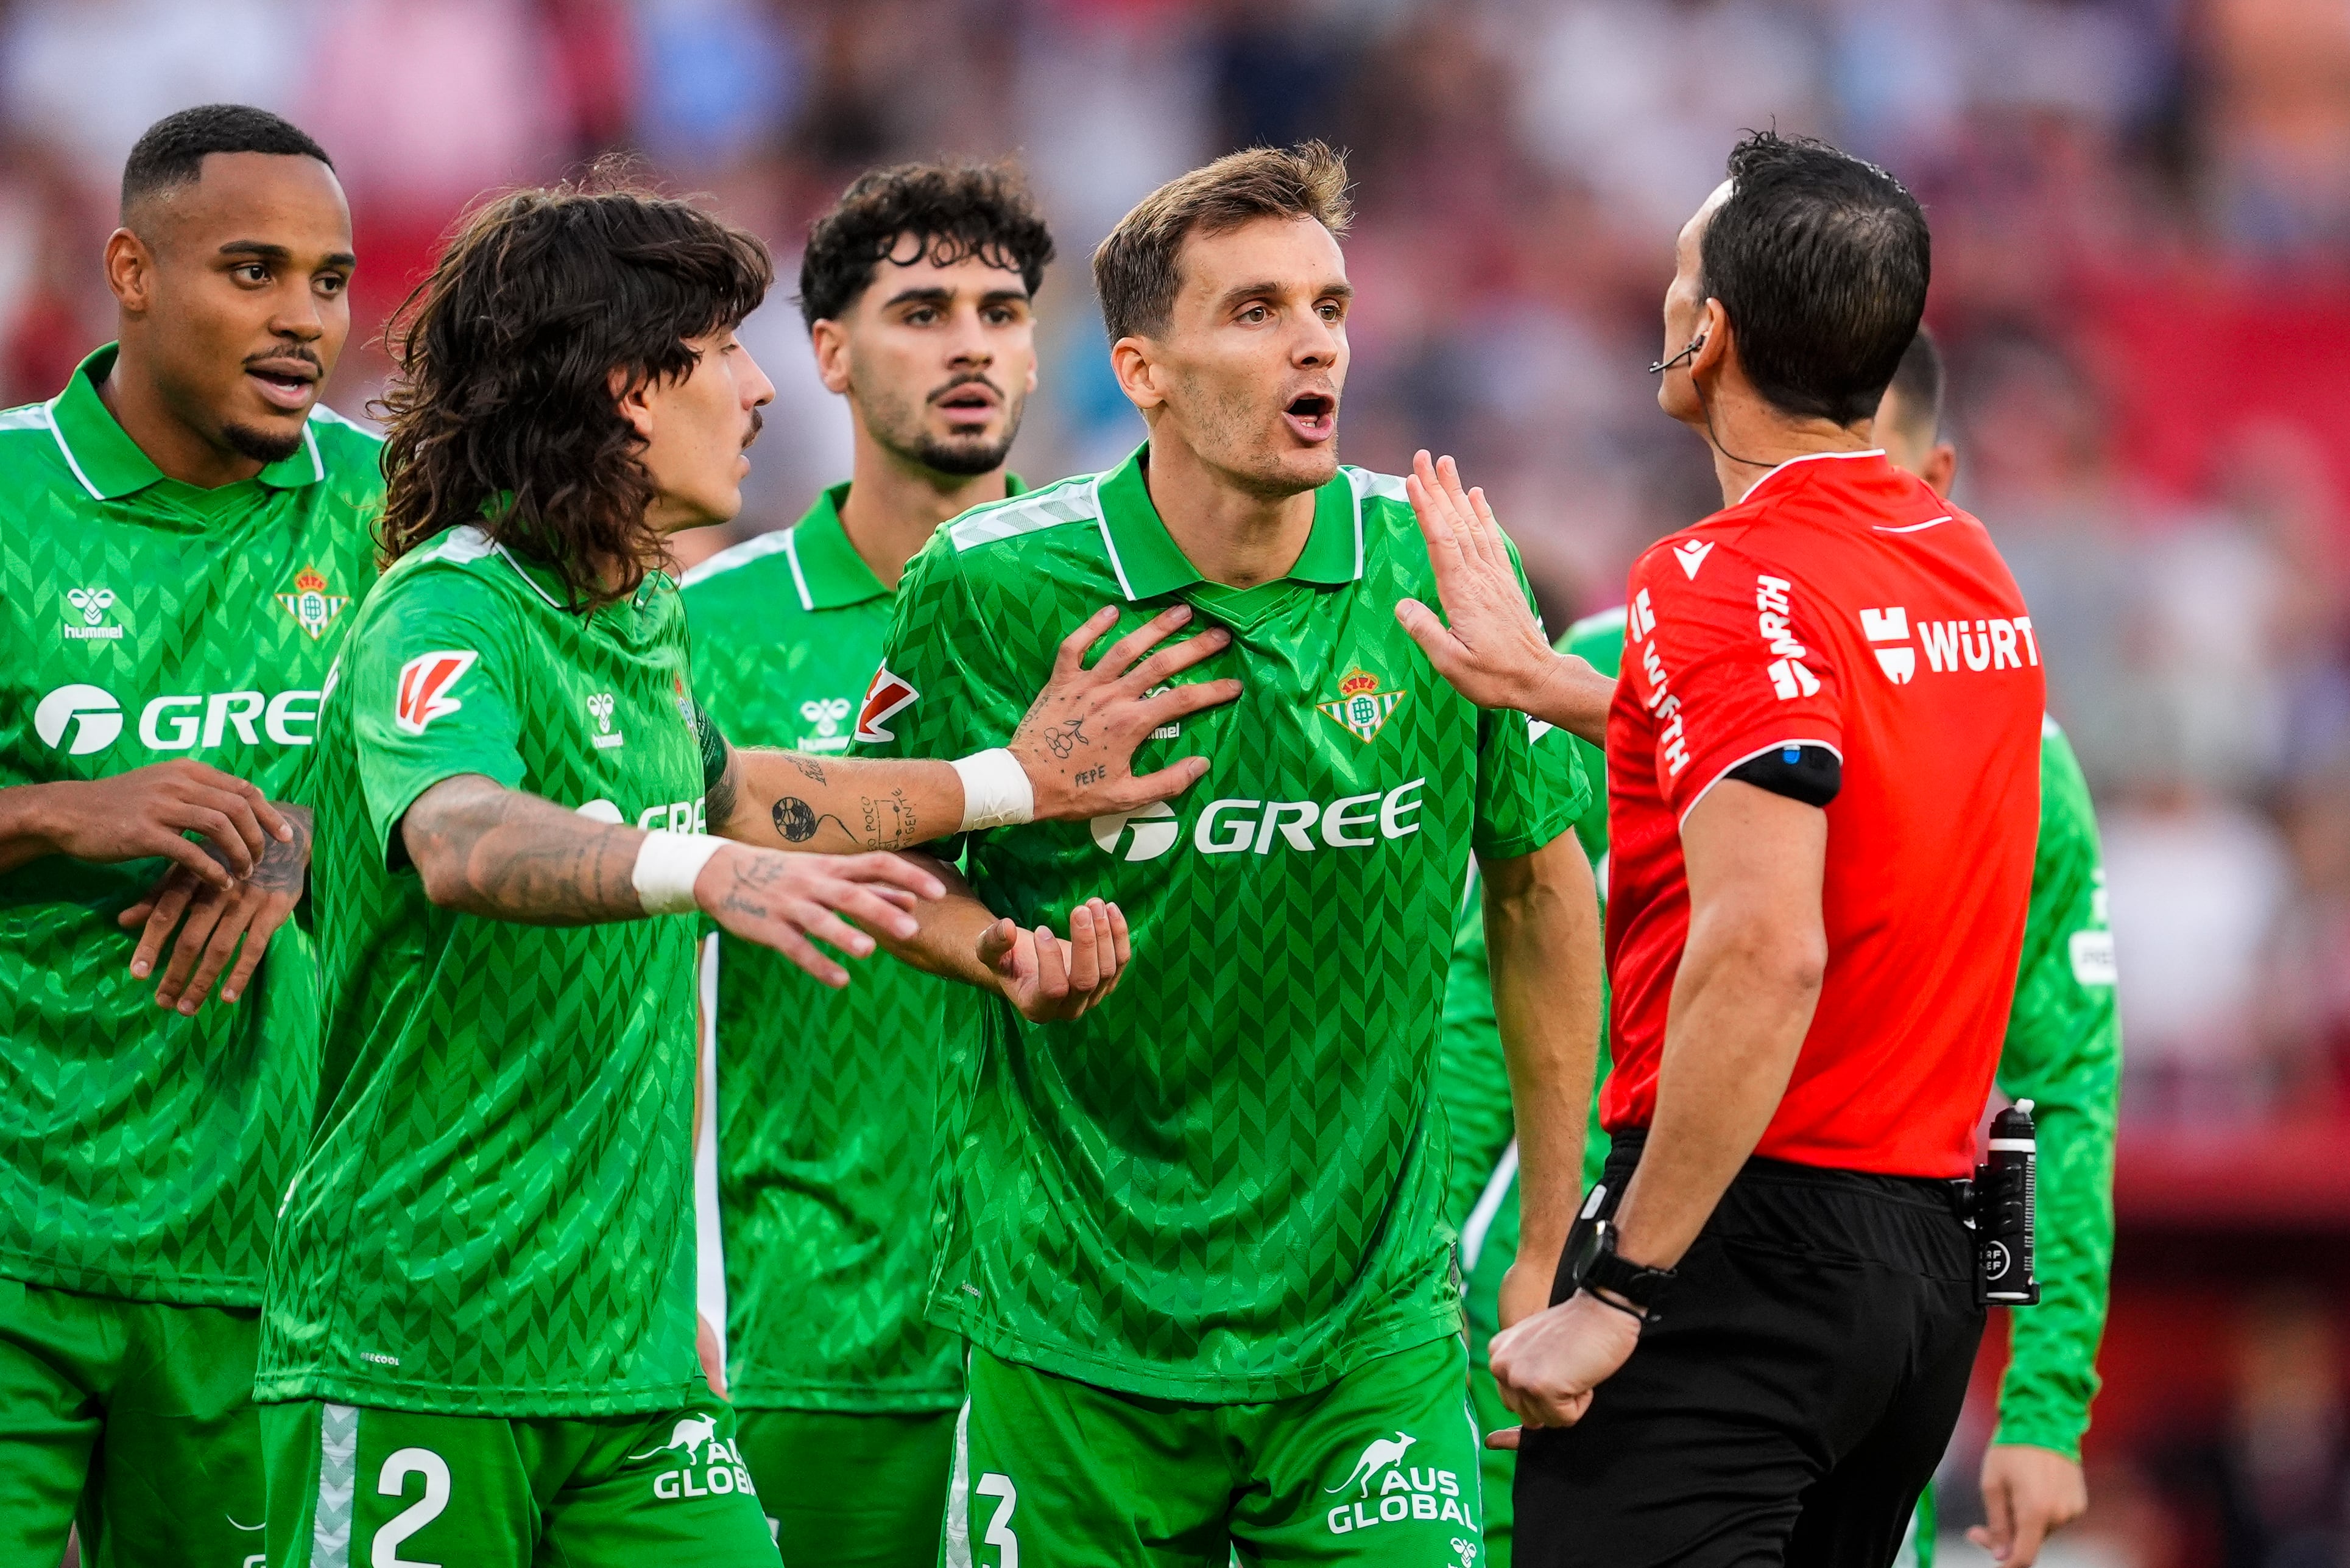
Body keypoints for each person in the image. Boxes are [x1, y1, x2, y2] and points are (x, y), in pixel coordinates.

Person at [253, 174, 1235, 1566]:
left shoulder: (635, 610)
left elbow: (740, 787)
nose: (760, 391)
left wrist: (1015, 782)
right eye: (721, 351)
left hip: (630, 1353)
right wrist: (700, 874)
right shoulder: (451, 597)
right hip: (420, 1332)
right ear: (624, 387)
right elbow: (461, 835)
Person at [858, 141, 1603, 1567]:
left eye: (1327, 304)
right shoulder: (996, 586)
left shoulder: (1436, 562)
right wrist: (1000, 953)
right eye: (1255, 311)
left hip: (1367, 1331)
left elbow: (1537, 882)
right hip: (1075, 1325)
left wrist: (1548, 1235)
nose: (1314, 341)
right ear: (1141, 369)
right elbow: (890, 848)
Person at [1399, 131, 2045, 1567]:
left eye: (1680, 274)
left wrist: (1617, 1289)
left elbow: (1765, 946)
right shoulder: (1967, 564)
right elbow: (1825, 763)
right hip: (1922, 1277)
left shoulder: (1712, 575)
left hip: (1738, 1247)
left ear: (1714, 335)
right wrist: (1555, 685)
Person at [0, 104, 377, 1567]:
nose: (301, 321)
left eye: (331, 282)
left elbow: (497, 796)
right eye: (252, 269)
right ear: (131, 271)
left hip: (255, 1250)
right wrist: (53, 813)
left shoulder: (386, 512)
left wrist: (305, 831)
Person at [680, 161, 1054, 1566]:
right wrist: (680, 1278)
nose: (971, 343)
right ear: (827, 351)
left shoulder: (1127, 604)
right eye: (922, 310)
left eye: (1002, 310)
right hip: (806, 1323)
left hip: (1090, 1321)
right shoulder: (710, 631)